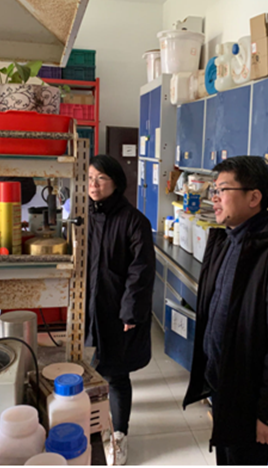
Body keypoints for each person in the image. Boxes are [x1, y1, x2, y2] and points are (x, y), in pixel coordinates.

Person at [183, 156, 268, 465]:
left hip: (251, 395)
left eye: (222, 190)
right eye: (214, 190)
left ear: (254, 197)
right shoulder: (229, 239)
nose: (214, 198)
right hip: (225, 384)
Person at [86, 155, 155, 466]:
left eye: (101, 178)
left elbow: (141, 271)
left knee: (116, 372)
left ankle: (119, 434)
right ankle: (95, 426)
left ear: (116, 183)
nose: (94, 184)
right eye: (90, 178)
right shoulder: (83, 216)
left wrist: (131, 311)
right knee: (88, 369)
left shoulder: (134, 220)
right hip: (87, 306)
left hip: (116, 309)